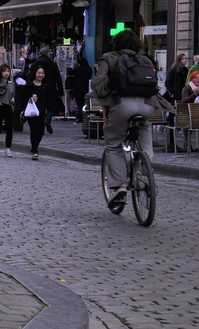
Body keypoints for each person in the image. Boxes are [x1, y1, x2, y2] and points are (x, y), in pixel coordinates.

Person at [92, 29, 174, 212]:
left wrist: (104, 107)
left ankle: (121, 186)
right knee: (144, 126)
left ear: (116, 43)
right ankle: (145, 165)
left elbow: (100, 84)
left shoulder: (109, 58)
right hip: (147, 105)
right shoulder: (144, 59)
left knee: (113, 144)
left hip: (122, 105)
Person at [21, 66, 53, 160]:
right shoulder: (29, 85)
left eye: (42, 73)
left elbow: (51, 100)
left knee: (40, 131)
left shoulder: (46, 86)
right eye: (39, 73)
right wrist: (30, 99)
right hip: (32, 112)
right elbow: (22, 97)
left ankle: (34, 147)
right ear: (35, 73)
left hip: (42, 112)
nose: (40, 75)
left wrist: (46, 106)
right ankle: (35, 150)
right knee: (34, 130)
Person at [32, 46, 64, 133]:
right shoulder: (52, 64)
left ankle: (41, 125)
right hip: (51, 88)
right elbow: (58, 78)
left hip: (38, 87)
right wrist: (60, 91)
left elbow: (31, 76)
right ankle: (48, 118)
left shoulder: (36, 64)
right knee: (51, 106)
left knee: (39, 106)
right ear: (48, 54)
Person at [70, 57, 92, 124]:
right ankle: (86, 117)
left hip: (78, 89)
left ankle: (80, 117)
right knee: (86, 104)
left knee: (79, 104)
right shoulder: (89, 69)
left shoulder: (78, 69)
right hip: (86, 88)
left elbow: (71, 72)